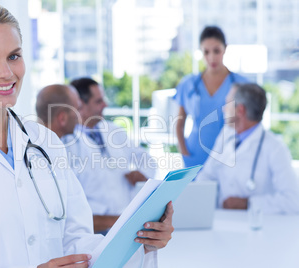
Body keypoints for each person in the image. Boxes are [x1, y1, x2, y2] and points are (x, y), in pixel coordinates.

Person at [0, 3, 174, 268]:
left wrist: (143, 239)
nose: (6, 73)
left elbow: (79, 243)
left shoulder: (46, 143)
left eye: (14, 56)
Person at [67, 77, 157, 233]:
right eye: (98, 101)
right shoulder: (66, 143)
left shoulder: (112, 130)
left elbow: (146, 159)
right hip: (93, 229)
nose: (105, 105)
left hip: (125, 221)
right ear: (79, 105)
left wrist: (142, 175)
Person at [196, 83, 299, 214]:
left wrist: (248, 203)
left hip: (256, 227)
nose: (223, 109)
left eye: (227, 104)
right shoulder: (226, 134)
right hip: (221, 221)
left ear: (240, 110)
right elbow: (206, 175)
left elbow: (293, 201)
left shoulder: (275, 148)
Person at [174, 26, 248, 167]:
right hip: (194, 156)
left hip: (229, 157)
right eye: (206, 52)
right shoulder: (188, 84)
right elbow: (179, 125)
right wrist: (184, 153)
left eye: (216, 51)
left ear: (225, 49)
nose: (211, 57)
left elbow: (248, 124)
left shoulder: (241, 84)